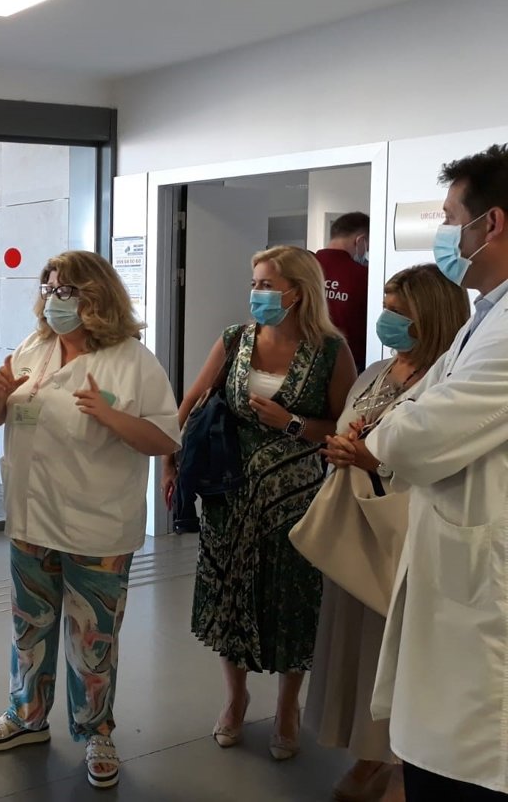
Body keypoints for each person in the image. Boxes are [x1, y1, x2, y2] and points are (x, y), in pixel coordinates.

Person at [0, 251, 180, 791]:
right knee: (29, 626)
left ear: (96, 294)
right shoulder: (34, 347)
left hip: (97, 525)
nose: (52, 299)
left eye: (64, 290)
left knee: (93, 638)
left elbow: (165, 438)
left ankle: (96, 730)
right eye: (48, 288)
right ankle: (26, 715)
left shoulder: (131, 360)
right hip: (30, 517)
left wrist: (111, 415)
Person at [353, 145, 508, 801]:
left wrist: (390, 427)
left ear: (490, 224)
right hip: (459, 572)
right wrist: (397, 423)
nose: (446, 233)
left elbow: (409, 438)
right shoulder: (488, 317)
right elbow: (410, 411)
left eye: (449, 217)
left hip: (485, 595)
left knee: (467, 763)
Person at [164, 244, 357, 762]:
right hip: (229, 494)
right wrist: (170, 460)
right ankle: (235, 700)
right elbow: (193, 400)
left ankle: (288, 707)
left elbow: (343, 428)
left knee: (292, 599)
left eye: (267, 285)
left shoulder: (332, 351)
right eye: (254, 284)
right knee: (230, 594)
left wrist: (290, 423)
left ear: (298, 291)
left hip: (296, 500)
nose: (257, 294)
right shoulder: (235, 339)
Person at [306, 264, 469, 802]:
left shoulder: (448, 384)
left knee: (395, 651)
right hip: (354, 529)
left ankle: (401, 764)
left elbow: (433, 459)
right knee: (356, 648)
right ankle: (368, 753)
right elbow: (350, 429)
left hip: (405, 533)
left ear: (432, 317)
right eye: (386, 307)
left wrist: (371, 458)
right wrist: (345, 448)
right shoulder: (376, 372)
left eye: (400, 312)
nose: (386, 319)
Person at [316, 212, 371, 369]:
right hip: (349, 363)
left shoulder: (304, 267)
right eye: (368, 247)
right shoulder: (364, 276)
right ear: (360, 240)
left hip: (303, 360)